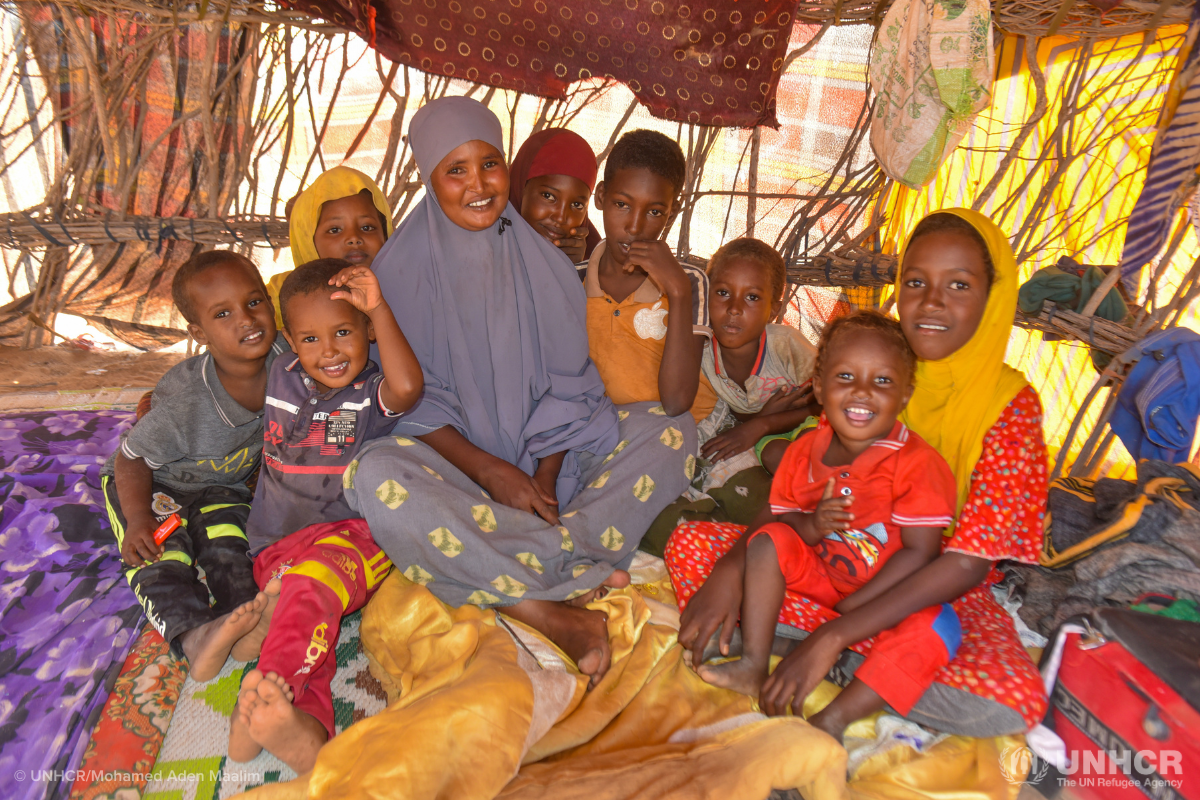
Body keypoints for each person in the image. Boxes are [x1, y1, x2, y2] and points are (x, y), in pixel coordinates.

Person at [349, 96, 697, 688]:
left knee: (670, 430)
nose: (478, 184)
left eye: (490, 163)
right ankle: (550, 596)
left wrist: (539, 473)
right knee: (374, 475)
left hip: (551, 476)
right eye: (455, 170)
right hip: (456, 470)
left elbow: (570, 385)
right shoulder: (398, 271)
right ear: (430, 179)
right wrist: (490, 472)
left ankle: (520, 562)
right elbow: (409, 401)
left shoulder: (546, 265)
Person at [667, 208, 1050, 739]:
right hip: (833, 564)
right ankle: (837, 657)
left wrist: (833, 635)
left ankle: (825, 650)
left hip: (927, 590)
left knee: (1008, 696)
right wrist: (729, 574)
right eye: (916, 282)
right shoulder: (874, 369)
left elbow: (962, 566)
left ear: (993, 295)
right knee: (695, 550)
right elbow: (793, 498)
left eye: (958, 284)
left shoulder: (1010, 408)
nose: (932, 302)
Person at [686, 311, 961, 741]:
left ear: (906, 394)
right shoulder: (804, 452)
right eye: (846, 376)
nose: (862, 393)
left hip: (886, 598)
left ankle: (834, 719)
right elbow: (784, 519)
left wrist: (857, 608)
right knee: (765, 542)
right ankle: (754, 664)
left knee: (939, 627)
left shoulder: (917, 465)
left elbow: (920, 553)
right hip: (823, 580)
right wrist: (812, 525)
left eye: (883, 381)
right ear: (818, 386)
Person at [228, 258, 423, 773]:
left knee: (310, 591)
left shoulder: (370, 392)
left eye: (343, 332)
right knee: (301, 608)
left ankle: (271, 688)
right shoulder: (279, 374)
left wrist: (378, 307)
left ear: (367, 332)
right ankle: (305, 727)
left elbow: (408, 390)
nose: (330, 350)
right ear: (290, 342)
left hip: (352, 538)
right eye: (310, 339)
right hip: (275, 543)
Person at [101, 251, 284, 682]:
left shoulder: (285, 357)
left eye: (254, 302)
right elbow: (131, 459)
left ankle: (243, 620)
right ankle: (194, 636)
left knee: (232, 545)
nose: (247, 319)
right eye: (224, 313)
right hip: (155, 484)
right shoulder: (189, 404)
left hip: (224, 486)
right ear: (199, 333)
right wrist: (139, 517)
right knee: (163, 555)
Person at [641, 238, 820, 556]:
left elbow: (826, 400)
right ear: (706, 296)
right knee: (775, 457)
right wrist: (760, 423)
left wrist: (762, 424)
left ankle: (828, 526)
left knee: (798, 460)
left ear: (773, 309)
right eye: (723, 293)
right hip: (767, 438)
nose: (734, 309)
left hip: (810, 425)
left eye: (752, 297)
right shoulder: (705, 353)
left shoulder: (786, 346)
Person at [585, 129, 718, 423]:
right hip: (601, 430)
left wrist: (678, 292)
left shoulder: (690, 282)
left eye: (655, 212)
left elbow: (676, 403)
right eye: (622, 204)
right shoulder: (572, 280)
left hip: (674, 430)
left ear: (673, 212)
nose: (634, 226)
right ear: (601, 196)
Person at [266, 166, 393, 328]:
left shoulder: (408, 291)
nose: (354, 238)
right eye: (335, 230)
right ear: (307, 241)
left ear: (385, 233)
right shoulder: (278, 300)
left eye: (367, 227)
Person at [509, 127, 601, 263]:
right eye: (548, 196)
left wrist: (573, 269)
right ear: (521, 186)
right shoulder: (483, 244)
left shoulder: (595, 264)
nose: (560, 217)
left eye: (577, 205)